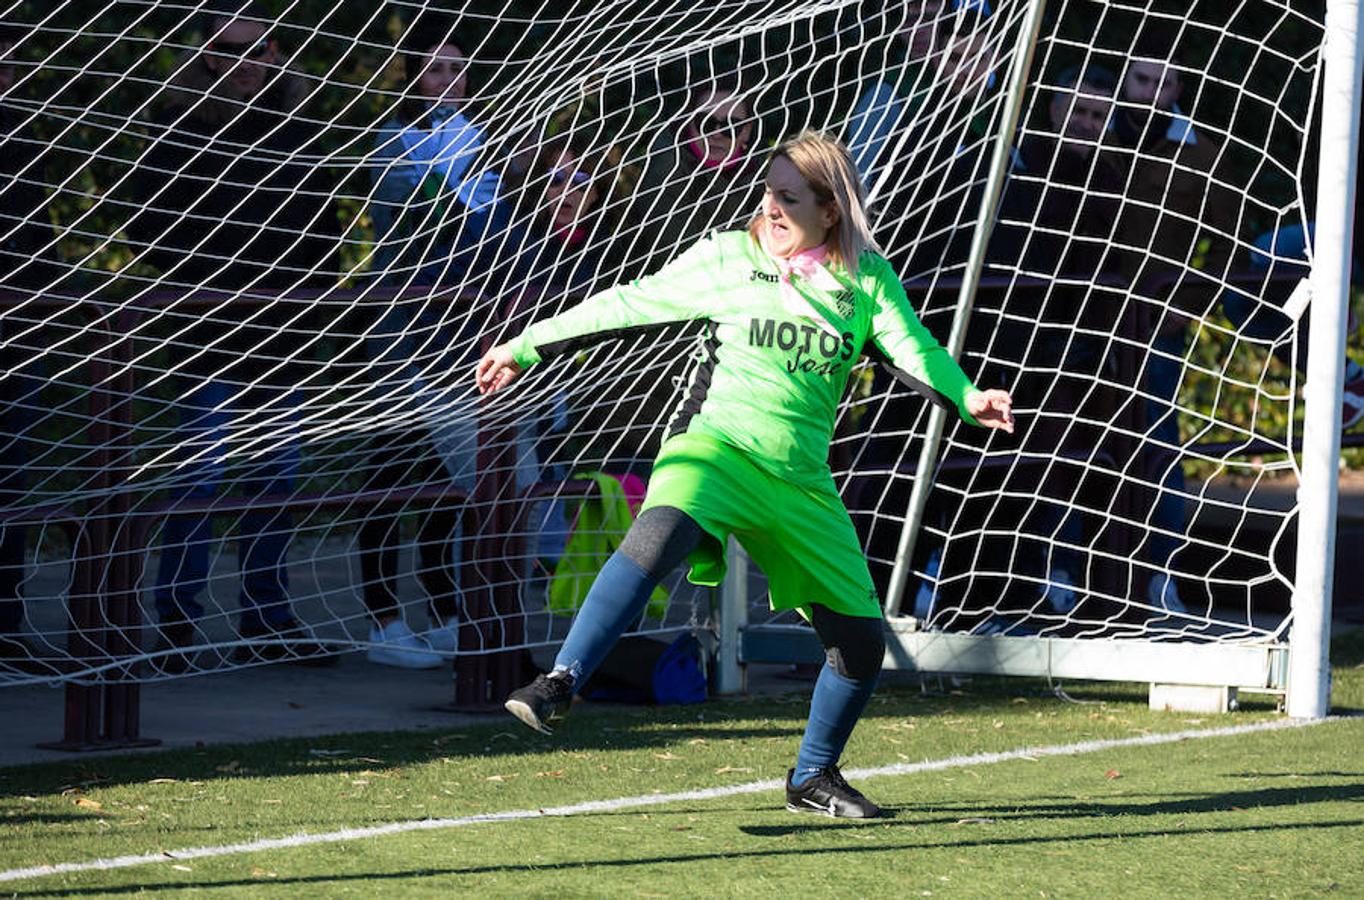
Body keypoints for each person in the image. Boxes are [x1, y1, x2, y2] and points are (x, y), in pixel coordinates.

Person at [475, 131, 1014, 818]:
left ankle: (813, 777)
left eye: (790, 197)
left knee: (857, 642)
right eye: (768, 191)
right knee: (657, 534)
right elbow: (625, 303)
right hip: (716, 450)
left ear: (831, 209)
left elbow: (917, 350)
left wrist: (968, 397)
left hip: (799, 482)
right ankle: (559, 681)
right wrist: (527, 346)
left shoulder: (867, 279)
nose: (772, 207)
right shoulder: (728, 256)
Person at [122, 0, 343, 670]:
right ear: (208, 55)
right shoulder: (177, 126)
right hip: (207, 340)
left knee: (275, 486)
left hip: (283, 346)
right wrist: (214, 273)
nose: (249, 65)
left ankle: (267, 620)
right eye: (234, 51)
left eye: (261, 50)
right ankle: (176, 628)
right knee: (199, 485)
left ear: (275, 54)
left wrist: (303, 300)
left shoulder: (300, 126)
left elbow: (325, 231)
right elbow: (141, 226)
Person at [1108, 27, 1240, 615]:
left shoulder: (1197, 151)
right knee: (1067, 445)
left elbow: (1227, 238)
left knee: (1158, 447)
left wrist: (1189, 299)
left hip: (1156, 325)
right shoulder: (1090, 134)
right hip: (1072, 322)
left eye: (1165, 82)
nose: (1154, 91)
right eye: (1143, 79)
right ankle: (1065, 574)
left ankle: (1163, 576)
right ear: (1124, 83)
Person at [368, 12, 504, 288]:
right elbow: (407, 217)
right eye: (435, 69)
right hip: (408, 282)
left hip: (484, 278)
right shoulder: (396, 137)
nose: (448, 81)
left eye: (456, 70)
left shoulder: (491, 135)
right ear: (416, 77)